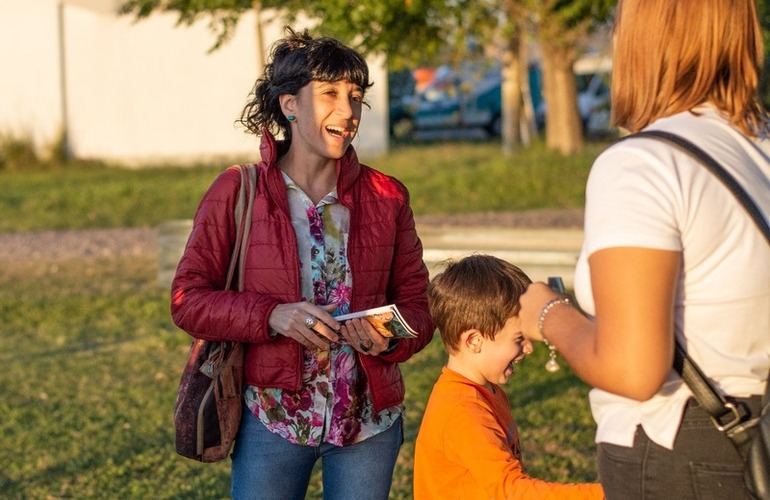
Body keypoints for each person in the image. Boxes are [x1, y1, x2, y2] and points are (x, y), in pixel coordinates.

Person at [516, 1, 770, 499]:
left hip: (681, 452)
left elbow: (633, 371)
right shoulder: (759, 147)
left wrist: (548, 313)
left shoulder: (644, 164)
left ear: (645, 36)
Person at [170, 27, 434, 500]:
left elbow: (418, 307)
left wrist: (386, 335)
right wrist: (272, 315)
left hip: (367, 425)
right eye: (329, 94)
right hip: (271, 421)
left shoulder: (387, 196)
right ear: (289, 105)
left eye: (355, 96)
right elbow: (188, 300)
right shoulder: (237, 190)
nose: (348, 111)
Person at [414, 255, 605, 499]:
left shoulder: (485, 392)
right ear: (474, 340)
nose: (529, 349)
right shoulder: (463, 411)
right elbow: (511, 491)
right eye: (518, 339)